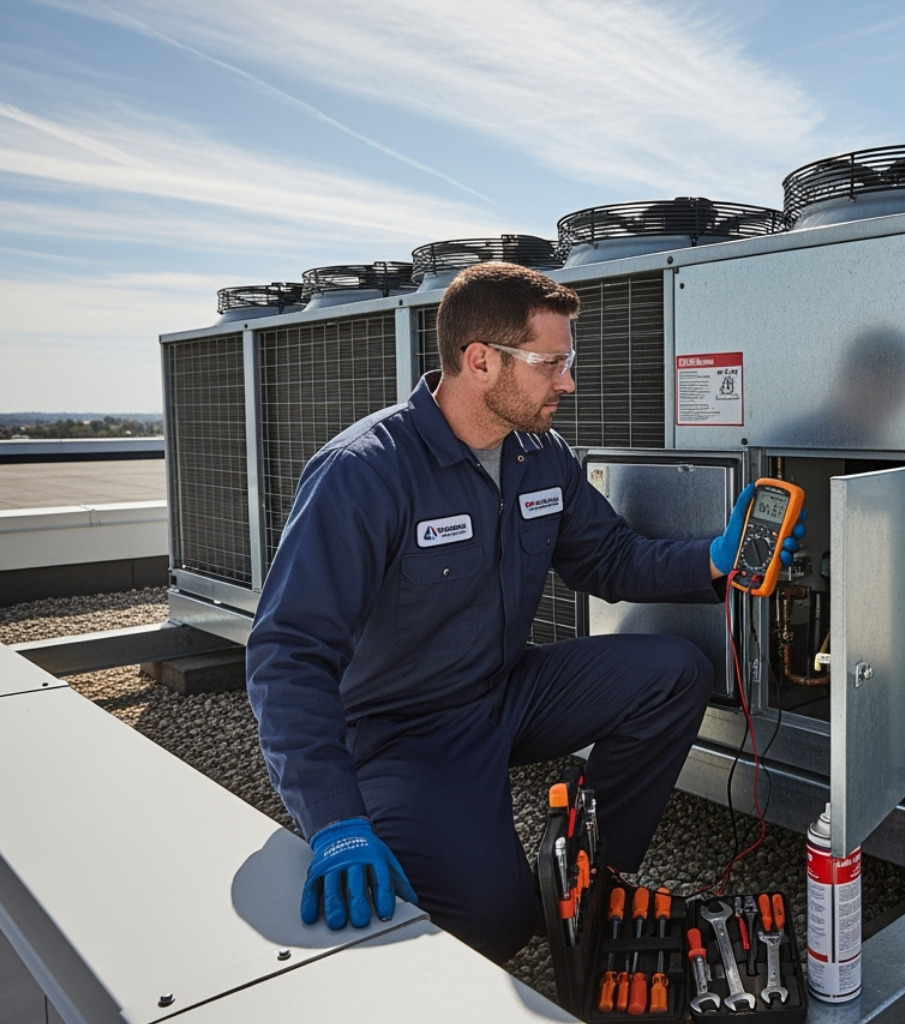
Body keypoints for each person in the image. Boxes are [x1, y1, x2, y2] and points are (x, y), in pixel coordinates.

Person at [246, 261, 764, 962]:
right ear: (481, 361)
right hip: (406, 728)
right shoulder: (363, 472)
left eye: (567, 361)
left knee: (673, 671)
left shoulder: (537, 455)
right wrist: (334, 820)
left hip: (506, 691)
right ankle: (416, 824)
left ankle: (589, 872)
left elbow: (607, 558)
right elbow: (288, 653)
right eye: (550, 363)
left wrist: (712, 558)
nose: (568, 381)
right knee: (495, 924)